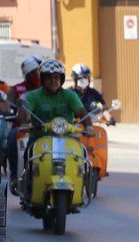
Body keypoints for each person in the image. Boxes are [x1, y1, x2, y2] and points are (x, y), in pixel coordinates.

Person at [18, 59, 92, 199]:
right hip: (40, 136)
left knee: (82, 155)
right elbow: (25, 110)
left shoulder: (70, 95)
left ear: (62, 79)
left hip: (67, 137)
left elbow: (82, 112)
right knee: (28, 154)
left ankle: (82, 186)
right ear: (43, 79)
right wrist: (23, 122)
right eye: (49, 78)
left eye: (57, 77)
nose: (54, 81)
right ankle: (27, 185)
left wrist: (89, 126)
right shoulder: (34, 95)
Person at [6, 55, 42, 188]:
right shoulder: (16, 89)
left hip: (43, 126)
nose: (37, 75)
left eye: (38, 72)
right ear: (27, 74)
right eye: (33, 73)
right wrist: (9, 112)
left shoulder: (47, 89)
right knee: (11, 138)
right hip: (22, 128)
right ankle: (15, 176)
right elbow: (8, 106)